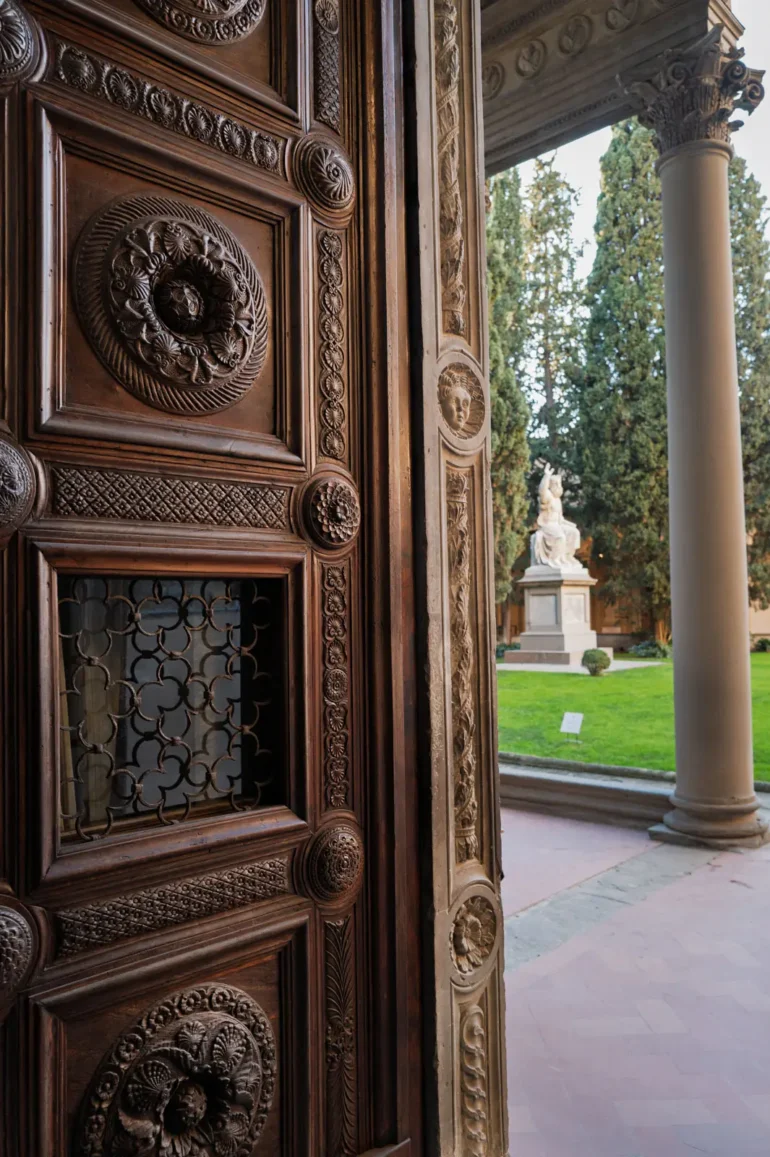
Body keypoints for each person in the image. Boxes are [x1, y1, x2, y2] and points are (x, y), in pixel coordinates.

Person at [531, 464, 582, 570]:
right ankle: (556, 559)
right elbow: (542, 491)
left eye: (560, 485)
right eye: (556, 484)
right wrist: (546, 476)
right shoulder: (548, 497)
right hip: (547, 525)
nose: (559, 487)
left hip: (557, 524)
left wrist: (571, 525)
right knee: (560, 537)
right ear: (551, 486)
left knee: (574, 532)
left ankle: (567, 557)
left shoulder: (558, 500)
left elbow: (560, 519)